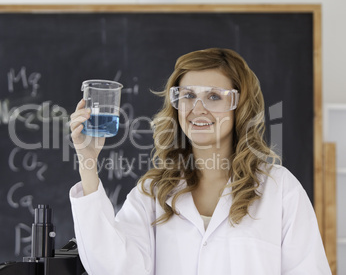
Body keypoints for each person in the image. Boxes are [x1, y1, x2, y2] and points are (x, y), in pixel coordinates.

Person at [69, 48, 331, 275]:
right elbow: (113, 268)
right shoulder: (154, 193)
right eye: (188, 95)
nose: (197, 108)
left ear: (240, 107)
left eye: (214, 96)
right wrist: (87, 162)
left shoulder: (280, 189)